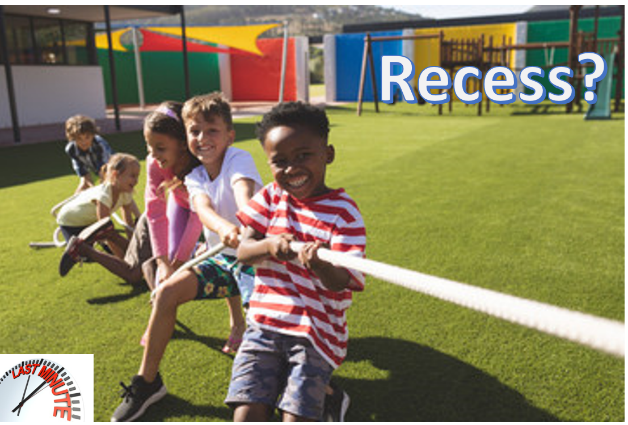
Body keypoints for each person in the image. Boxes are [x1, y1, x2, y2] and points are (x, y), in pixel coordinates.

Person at [111, 92, 263, 422]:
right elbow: (202, 210)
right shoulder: (194, 176)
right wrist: (218, 232)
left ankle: (318, 387)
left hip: (257, 259)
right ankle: (148, 383)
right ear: (186, 137)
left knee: (263, 322)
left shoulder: (238, 158)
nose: (203, 139)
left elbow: (244, 193)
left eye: (212, 131)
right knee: (165, 292)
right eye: (196, 132)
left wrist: (244, 223)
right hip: (223, 258)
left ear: (229, 135)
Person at [226, 102, 366, 421]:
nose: (292, 169)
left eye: (304, 156)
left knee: (295, 418)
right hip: (264, 324)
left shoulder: (344, 213)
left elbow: (342, 280)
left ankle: (330, 397)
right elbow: (243, 251)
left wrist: (319, 263)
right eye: (280, 161)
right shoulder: (271, 196)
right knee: (246, 415)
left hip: (317, 333)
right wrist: (270, 245)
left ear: (327, 154)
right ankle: (314, 391)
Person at [59, 102, 202, 287]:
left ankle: (110, 238)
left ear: (182, 144)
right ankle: (89, 247)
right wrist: (163, 262)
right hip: (160, 218)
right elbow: (155, 210)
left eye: (160, 148)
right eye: (149, 147)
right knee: (135, 273)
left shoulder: (199, 165)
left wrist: (176, 262)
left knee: (157, 265)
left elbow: (196, 216)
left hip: (180, 210)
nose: (153, 155)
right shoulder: (154, 162)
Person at [58, 153, 141, 276]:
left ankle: (85, 248)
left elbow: (128, 223)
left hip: (89, 222)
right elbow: (107, 232)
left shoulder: (125, 193)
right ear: (115, 174)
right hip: (71, 222)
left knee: (110, 245)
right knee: (89, 255)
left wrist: (132, 248)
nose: (136, 181)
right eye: (132, 176)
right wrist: (125, 262)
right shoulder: (104, 194)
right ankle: (78, 249)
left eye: (137, 176)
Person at [64, 114, 114, 194]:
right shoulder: (71, 149)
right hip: (91, 167)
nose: (84, 142)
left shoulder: (99, 145)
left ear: (93, 135)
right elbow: (82, 170)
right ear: (73, 138)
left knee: (112, 189)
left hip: (110, 167)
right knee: (83, 186)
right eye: (79, 139)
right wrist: (87, 181)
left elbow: (104, 168)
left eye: (87, 137)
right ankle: (75, 204)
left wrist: (102, 185)